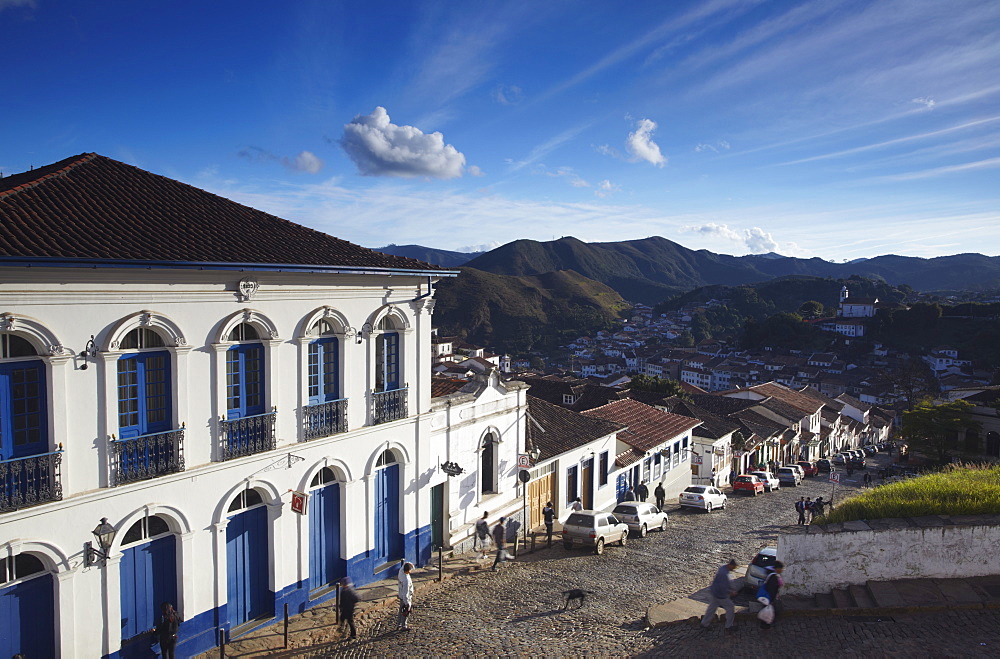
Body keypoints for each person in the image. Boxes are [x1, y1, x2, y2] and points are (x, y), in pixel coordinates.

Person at [701, 559, 739, 632]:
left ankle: (704, 623)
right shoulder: (724, 574)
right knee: (730, 608)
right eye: (733, 567)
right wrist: (730, 592)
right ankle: (729, 626)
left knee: (711, 609)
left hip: (715, 592)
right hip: (721, 595)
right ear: (730, 565)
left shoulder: (722, 569)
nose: (733, 569)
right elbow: (723, 586)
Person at [758, 561, 785, 630]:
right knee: (769, 611)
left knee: (767, 610)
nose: (782, 570)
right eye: (781, 568)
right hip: (769, 597)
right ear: (777, 568)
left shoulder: (772, 574)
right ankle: (766, 624)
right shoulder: (774, 577)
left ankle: (765, 624)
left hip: (767, 597)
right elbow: (772, 588)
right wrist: (772, 599)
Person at [397, 562, 414, 631]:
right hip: (406, 597)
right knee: (405, 612)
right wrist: (407, 603)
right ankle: (404, 625)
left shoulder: (401, 572)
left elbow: (404, 564)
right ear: (408, 571)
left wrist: (409, 564)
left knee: (400, 610)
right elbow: (406, 593)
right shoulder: (406, 581)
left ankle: (399, 624)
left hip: (400, 595)